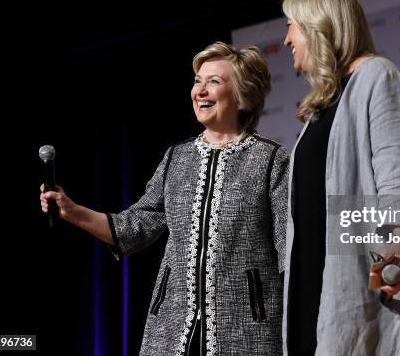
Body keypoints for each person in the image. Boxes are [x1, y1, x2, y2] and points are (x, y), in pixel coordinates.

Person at [40, 42, 288, 356]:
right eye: (198, 81)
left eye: (213, 81)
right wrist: (72, 211)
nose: (200, 90)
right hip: (171, 333)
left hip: (246, 332)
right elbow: (135, 226)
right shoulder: (177, 158)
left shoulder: (271, 160)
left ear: (243, 94)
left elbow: (290, 251)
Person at [281, 0, 400, 355]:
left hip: (368, 290)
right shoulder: (320, 108)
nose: (285, 40)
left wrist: (393, 254)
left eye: (291, 25)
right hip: (315, 286)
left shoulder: (378, 77)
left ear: (317, 24)